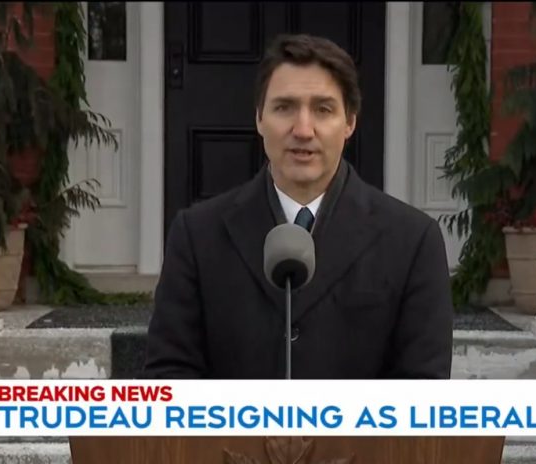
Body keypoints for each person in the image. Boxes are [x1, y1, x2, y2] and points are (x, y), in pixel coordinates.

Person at [142, 34, 454, 379]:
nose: (303, 130)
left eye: (323, 109)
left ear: (349, 122)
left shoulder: (412, 240)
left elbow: (423, 389)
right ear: (259, 118)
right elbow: (168, 377)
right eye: (284, 107)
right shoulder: (197, 235)